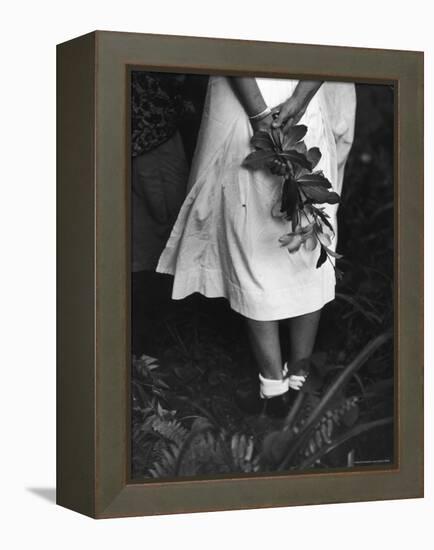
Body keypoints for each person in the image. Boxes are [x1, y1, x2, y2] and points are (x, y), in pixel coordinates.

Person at [156, 75, 356, 417]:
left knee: (274, 238)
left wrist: (270, 112)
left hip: (264, 101)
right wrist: (292, 103)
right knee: (279, 237)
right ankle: (290, 383)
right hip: (277, 100)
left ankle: (281, 386)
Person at [131, 71, 190, 355]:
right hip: (146, 134)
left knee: (153, 243)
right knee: (156, 241)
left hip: (147, 133)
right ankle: (145, 350)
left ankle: (146, 346)